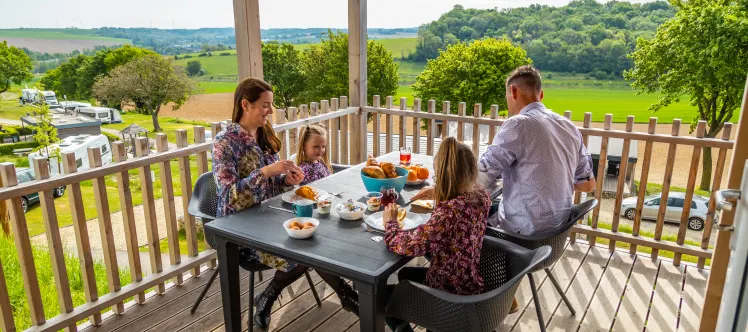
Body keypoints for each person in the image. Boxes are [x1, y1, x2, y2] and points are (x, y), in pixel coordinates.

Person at [212, 78, 358, 329]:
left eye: (271, 105)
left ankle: (268, 297)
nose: (270, 111)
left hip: (271, 216)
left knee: (315, 239)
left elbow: (272, 185)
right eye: (265, 105)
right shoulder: (225, 142)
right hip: (240, 227)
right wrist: (267, 172)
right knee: (307, 249)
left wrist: (286, 180)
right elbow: (227, 195)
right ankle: (346, 296)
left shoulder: (266, 135)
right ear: (245, 104)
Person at [382, 137, 492, 332]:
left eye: (437, 177)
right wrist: (438, 191)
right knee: (405, 274)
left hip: (448, 297)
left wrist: (390, 223)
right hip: (470, 284)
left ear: (444, 177)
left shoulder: (449, 212)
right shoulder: (482, 198)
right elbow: (463, 196)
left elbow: (410, 245)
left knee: (380, 297)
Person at [479, 65, 596, 235]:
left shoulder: (518, 124)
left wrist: (442, 188)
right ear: (541, 96)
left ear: (513, 91)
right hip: (555, 232)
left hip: (521, 235)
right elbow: (587, 184)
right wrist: (553, 182)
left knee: (461, 227)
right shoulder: (570, 128)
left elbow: (482, 175)